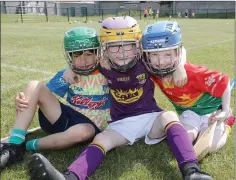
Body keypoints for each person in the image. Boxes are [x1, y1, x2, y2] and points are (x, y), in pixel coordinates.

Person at [27, 16, 213, 180]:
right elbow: (82, 61)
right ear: (104, 49)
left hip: (151, 119)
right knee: (101, 139)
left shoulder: (146, 61)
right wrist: (70, 69)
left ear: (138, 46)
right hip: (120, 123)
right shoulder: (102, 64)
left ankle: (191, 171)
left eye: (128, 45)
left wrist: (180, 64)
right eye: (115, 46)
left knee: (170, 116)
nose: (122, 52)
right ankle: (71, 176)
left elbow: (174, 48)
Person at [0, 27, 111, 170]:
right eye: (77, 55)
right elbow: (41, 94)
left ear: (98, 52)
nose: (83, 61)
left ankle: (26, 146)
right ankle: (15, 144)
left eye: (89, 54)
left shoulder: (108, 72)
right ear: (70, 56)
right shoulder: (68, 73)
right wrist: (23, 99)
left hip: (90, 126)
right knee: (35, 85)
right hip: (65, 120)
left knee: (84, 132)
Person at [142, 20, 235, 157]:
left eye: (167, 54)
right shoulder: (153, 70)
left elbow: (224, 82)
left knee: (214, 146)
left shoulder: (192, 72)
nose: (160, 62)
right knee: (184, 140)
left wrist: (225, 110)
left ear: (177, 54)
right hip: (189, 113)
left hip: (212, 111)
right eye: (154, 55)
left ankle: (229, 122)